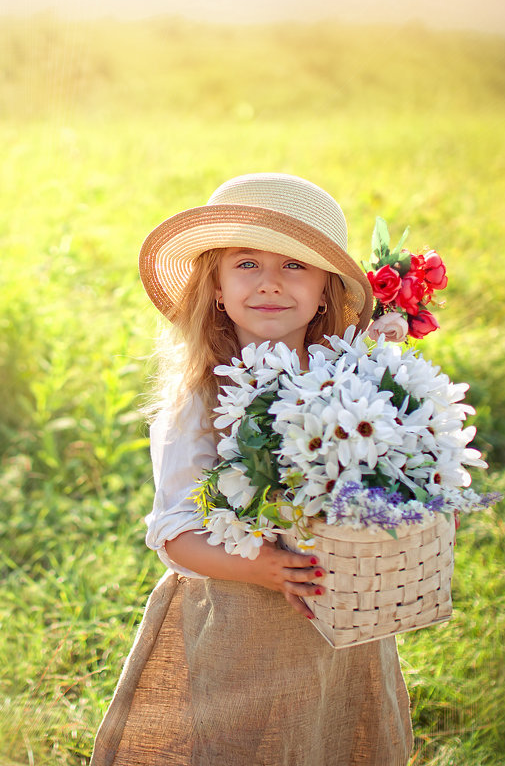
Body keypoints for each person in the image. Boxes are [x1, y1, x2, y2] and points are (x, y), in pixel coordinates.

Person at [90, 173, 414, 765]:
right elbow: (175, 534)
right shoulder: (201, 397)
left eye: (294, 266)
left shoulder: (355, 381)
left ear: (325, 292)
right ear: (215, 286)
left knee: (337, 737)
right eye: (245, 264)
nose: (269, 283)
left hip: (346, 625)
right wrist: (265, 566)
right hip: (243, 626)